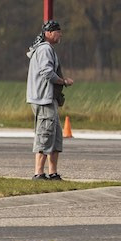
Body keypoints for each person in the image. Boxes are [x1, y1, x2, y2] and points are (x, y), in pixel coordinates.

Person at [25, 19, 74, 180]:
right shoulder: (45, 49)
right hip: (43, 99)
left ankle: (53, 173)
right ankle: (38, 173)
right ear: (49, 33)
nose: (60, 34)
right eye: (58, 31)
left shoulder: (45, 49)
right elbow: (47, 72)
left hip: (48, 99)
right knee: (45, 135)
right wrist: (63, 81)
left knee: (55, 136)